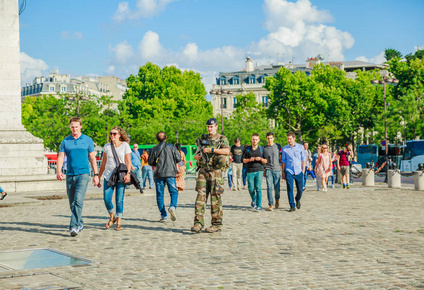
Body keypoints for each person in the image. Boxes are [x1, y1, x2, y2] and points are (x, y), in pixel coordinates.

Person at [56, 117, 100, 236]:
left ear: (80, 126)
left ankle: (74, 226)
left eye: (76, 126)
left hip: (83, 174)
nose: (74, 129)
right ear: (70, 127)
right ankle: (80, 222)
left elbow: (92, 158)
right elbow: (60, 156)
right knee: (72, 203)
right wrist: (58, 170)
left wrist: (96, 175)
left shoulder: (87, 140)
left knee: (78, 201)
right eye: (72, 127)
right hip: (70, 174)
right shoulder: (66, 141)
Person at [191, 118, 230, 233]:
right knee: (200, 198)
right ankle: (198, 224)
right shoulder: (202, 138)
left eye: (211, 127)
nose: (209, 129)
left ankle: (216, 224)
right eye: (208, 126)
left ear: (216, 126)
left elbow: (227, 151)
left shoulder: (222, 139)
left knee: (215, 199)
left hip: (215, 172)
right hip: (203, 171)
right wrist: (196, 157)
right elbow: (197, 152)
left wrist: (212, 149)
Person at [98, 127, 132, 231]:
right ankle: (112, 216)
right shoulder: (107, 146)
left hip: (121, 176)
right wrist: (98, 176)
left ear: (119, 135)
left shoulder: (125, 146)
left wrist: (128, 174)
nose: (112, 135)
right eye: (111, 134)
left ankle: (118, 222)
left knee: (119, 200)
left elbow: (128, 161)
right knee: (107, 198)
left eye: (114, 134)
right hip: (109, 176)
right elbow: (103, 163)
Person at [148, 131, 181, 223]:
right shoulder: (172, 147)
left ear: (157, 139)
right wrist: (181, 168)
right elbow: (178, 159)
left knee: (160, 195)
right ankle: (172, 206)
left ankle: (163, 216)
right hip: (170, 173)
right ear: (166, 138)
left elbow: (150, 162)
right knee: (174, 192)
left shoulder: (154, 148)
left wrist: (156, 163)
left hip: (159, 174)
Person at [281, 131, 306, 212]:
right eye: (287, 139)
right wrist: (283, 172)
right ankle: (292, 205)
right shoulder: (285, 149)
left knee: (300, 189)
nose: (289, 140)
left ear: (294, 138)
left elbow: (303, 159)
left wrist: (303, 170)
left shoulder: (300, 147)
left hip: (299, 170)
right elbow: (283, 161)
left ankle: (297, 199)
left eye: (290, 139)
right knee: (290, 188)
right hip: (289, 170)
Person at [243, 133, 266, 212]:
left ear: (258, 140)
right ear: (251, 139)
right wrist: (250, 159)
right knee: (251, 188)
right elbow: (243, 160)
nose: (255, 141)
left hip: (259, 170)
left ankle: (259, 206)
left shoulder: (261, 149)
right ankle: (254, 199)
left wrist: (260, 159)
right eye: (253, 139)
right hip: (250, 171)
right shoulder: (247, 149)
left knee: (258, 188)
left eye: (256, 139)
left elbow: (266, 160)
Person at [263, 132, 281, 211]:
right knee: (269, 187)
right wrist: (264, 169)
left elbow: (281, 157)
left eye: (271, 138)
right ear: (266, 139)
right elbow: (263, 159)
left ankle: (277, 199)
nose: (269, 140)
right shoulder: (264, 148)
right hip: (268, 169)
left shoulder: (278, 146)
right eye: (268, 138)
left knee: (277, 188)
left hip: (276, 169)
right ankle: (270, 204)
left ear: (273, 138)